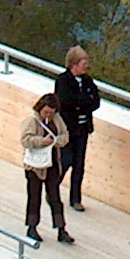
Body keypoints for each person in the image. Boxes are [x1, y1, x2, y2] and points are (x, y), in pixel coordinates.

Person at [53, 46, 102, 213]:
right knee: (66, 159)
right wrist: (83, 102)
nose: (86, 66)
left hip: (83, 128)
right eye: (83, 62)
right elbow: (65, 101)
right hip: (68, 128)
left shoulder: (88, 81)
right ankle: (52, 188)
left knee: (79, 163)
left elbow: (95, 101)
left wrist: (82, 103)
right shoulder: (63, 80)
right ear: (74, 64)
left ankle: (76, 198)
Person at [20, 92, 72, 245]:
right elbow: (25, 139)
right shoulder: (31, 121)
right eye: (46, 112)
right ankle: (32, 227)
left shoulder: (57, 120)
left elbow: (65, 136)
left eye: (51, 112)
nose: (48, 115)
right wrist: (41, 141)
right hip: (34, 166)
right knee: (34, 196)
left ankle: (61, 228)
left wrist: (54, 141)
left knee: (55, 197)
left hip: (52, 164)